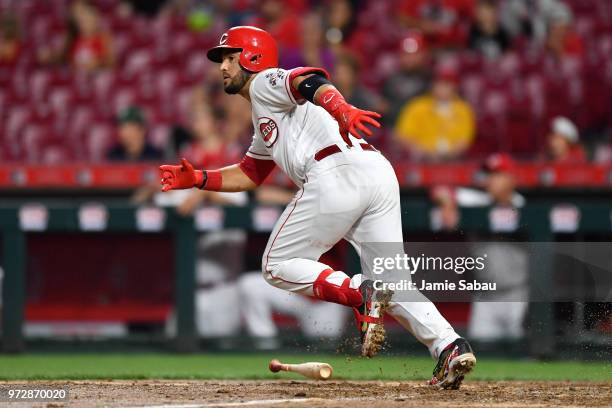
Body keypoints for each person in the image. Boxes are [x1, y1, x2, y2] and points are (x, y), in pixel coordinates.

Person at [159, 26, 476, 389]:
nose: (222, 67)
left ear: (253, 57)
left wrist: (341, 107)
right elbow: (251, 173)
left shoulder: (264, 83)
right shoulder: (265, 114)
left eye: (230, 57)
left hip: (336, 173)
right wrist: (200, 177)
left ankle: (359, 292)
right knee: (394, 281)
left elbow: (308, 79)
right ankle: (449, 345)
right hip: (376, 173)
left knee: (275, 264)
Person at [431, 153, 528, 341]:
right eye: (489, 175)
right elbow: (441, 189)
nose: (491, 180)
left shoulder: (521, 205)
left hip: (516, 294)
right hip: (485, 297)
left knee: (523, 353)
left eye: (498, 175)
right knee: (481, 354)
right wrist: (447, 204)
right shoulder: (478, 201)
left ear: (511, 179)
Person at [394, 65, 476, 160]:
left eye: (447, 84)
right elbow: (403, 136)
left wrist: (449, 154)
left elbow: (465, 139)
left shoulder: (463, 109)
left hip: (453, 160)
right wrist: (425, 152)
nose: (443, 88)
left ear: (454, 86)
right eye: (439, 84)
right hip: (421, 159)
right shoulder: (417, 106)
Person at [382, 31, 432, 126]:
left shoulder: (430, 79)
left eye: (414, 54)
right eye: (405, 54)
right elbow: (384, 108)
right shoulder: (391, 79)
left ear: (423, 54)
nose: (409, 58)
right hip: (393, 128)